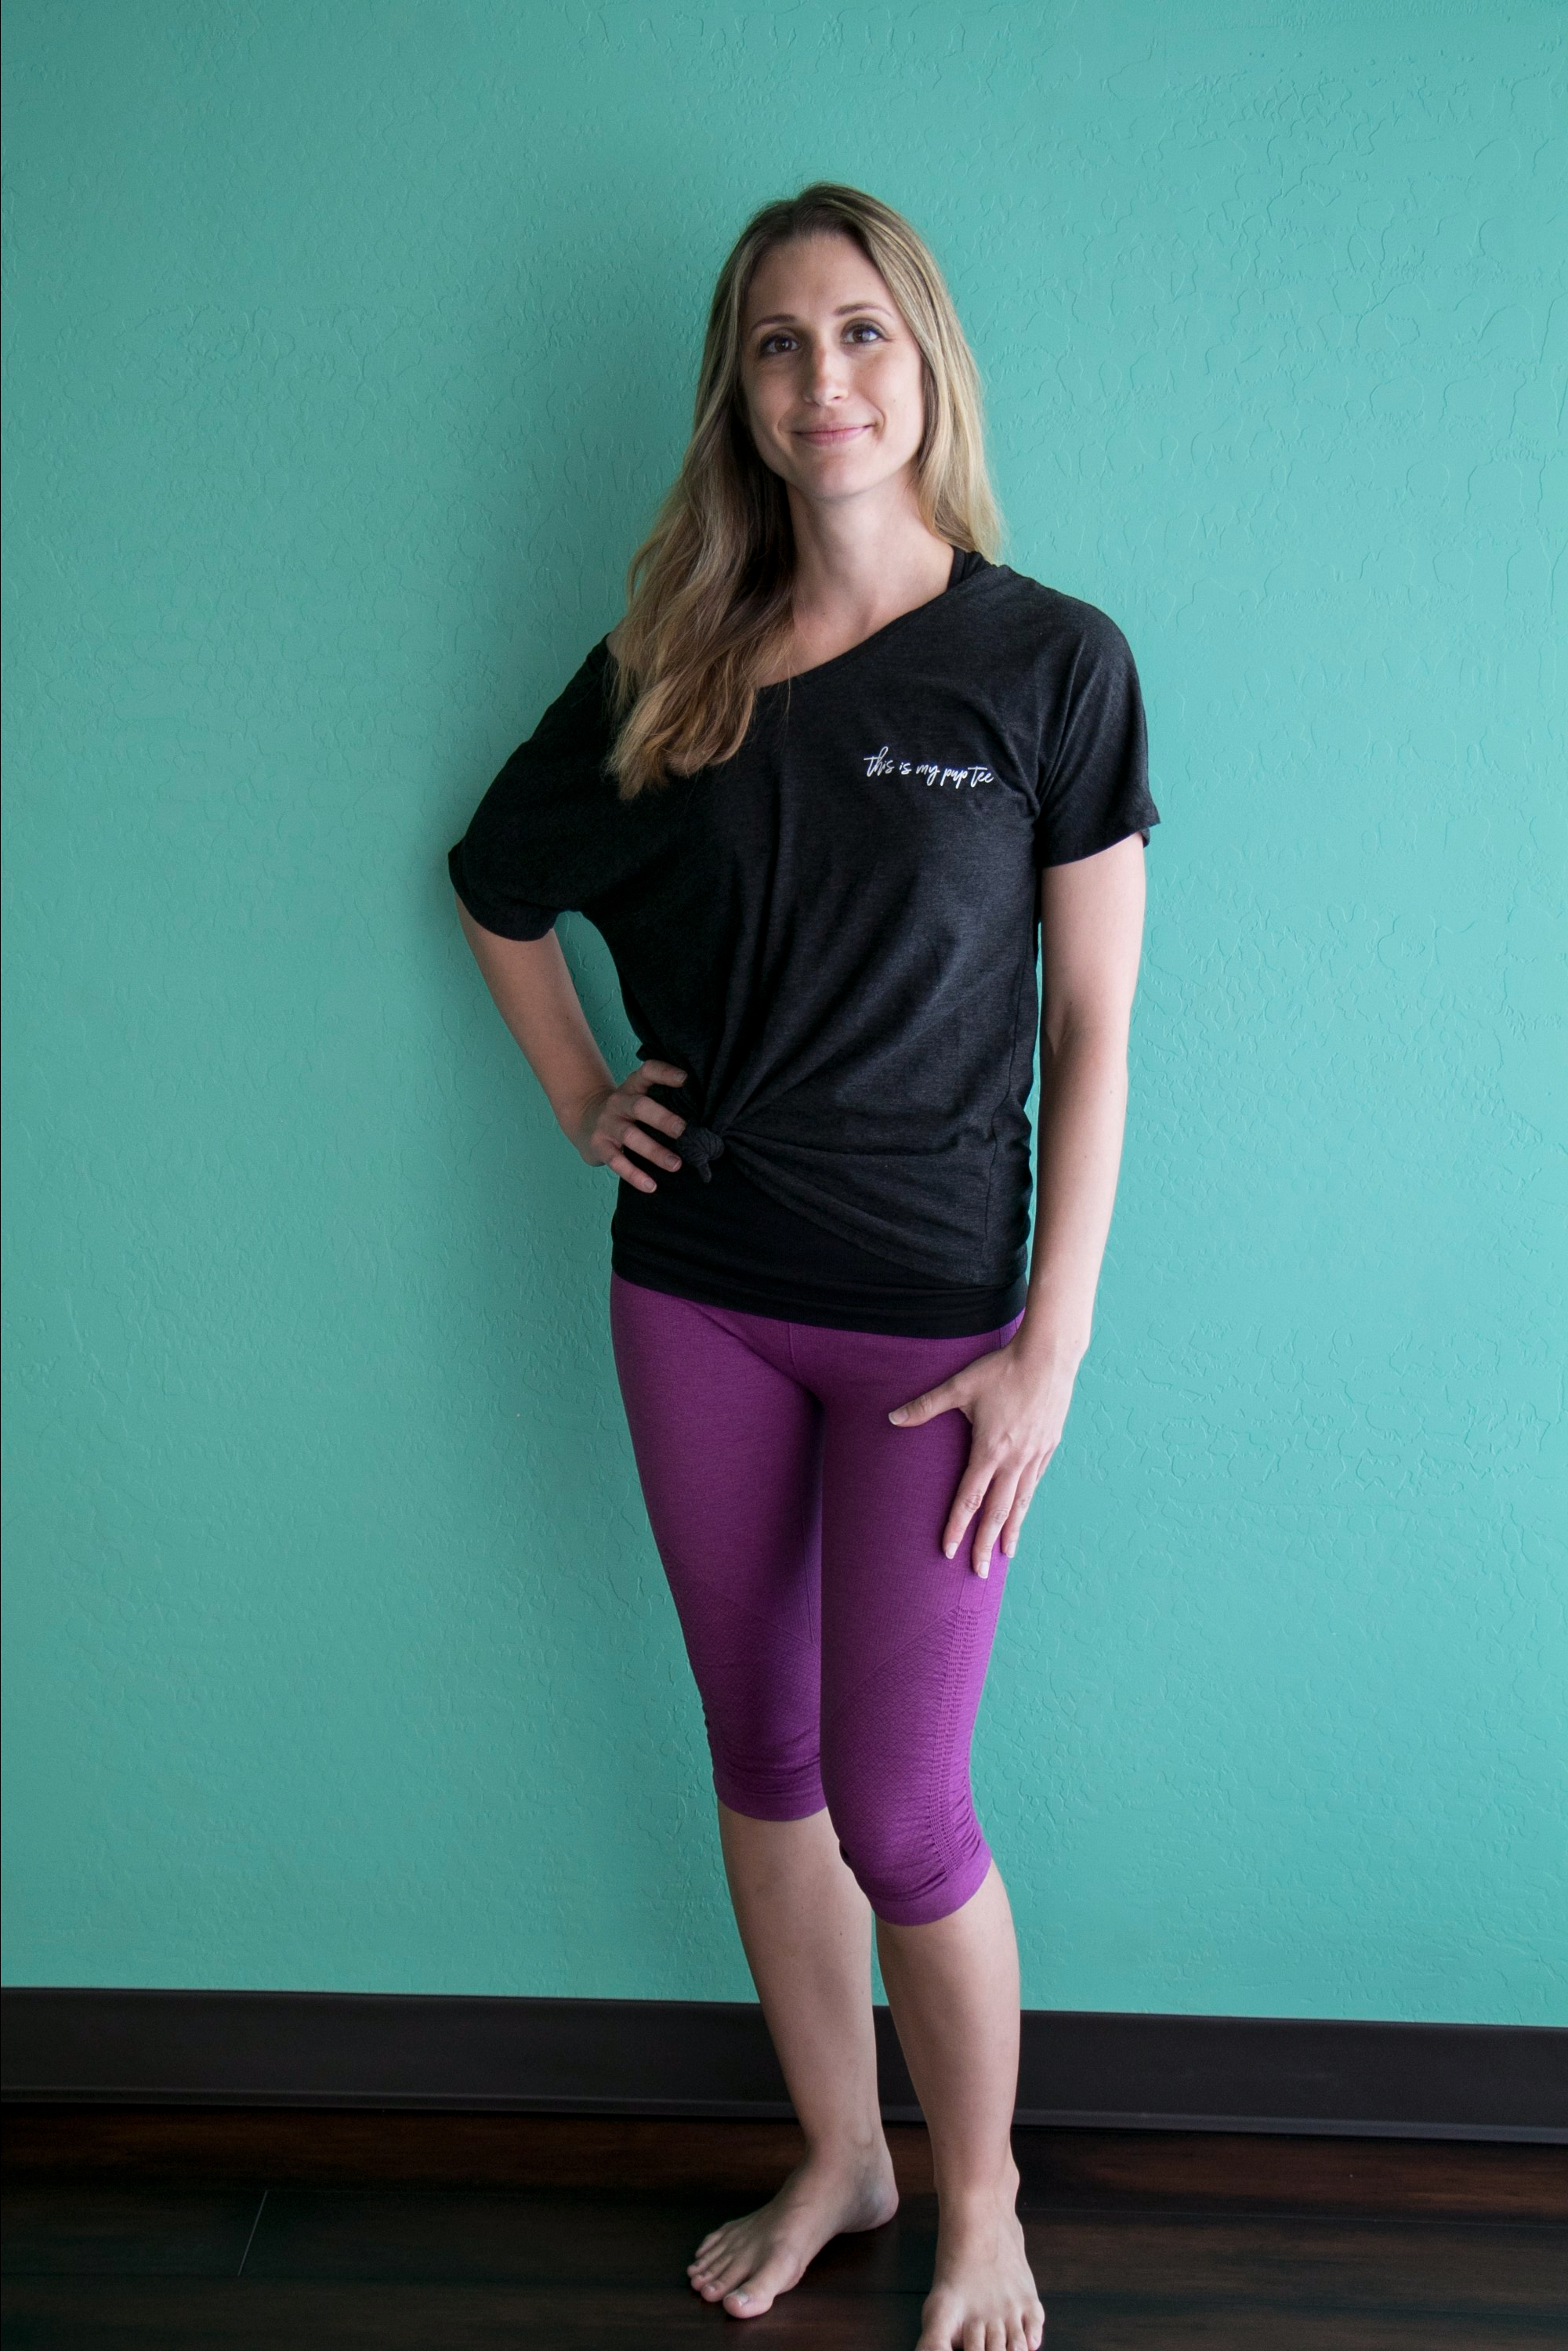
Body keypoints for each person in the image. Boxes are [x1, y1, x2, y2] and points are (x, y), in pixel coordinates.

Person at [447, 180, 1157, 2351]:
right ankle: (844, 2157)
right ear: (736, 395)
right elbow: (493, 881)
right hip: (695, 1296)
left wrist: (1051, 1348)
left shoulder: (1050, 663)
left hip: (937, 1336)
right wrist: (583, 1095)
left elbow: (1094, 1026)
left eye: (859, 332)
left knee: (902, 1806)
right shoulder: (665, 666)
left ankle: (985, 2204)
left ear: (922, 362)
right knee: (759, 1755)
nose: (821, 378)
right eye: (777, 343)